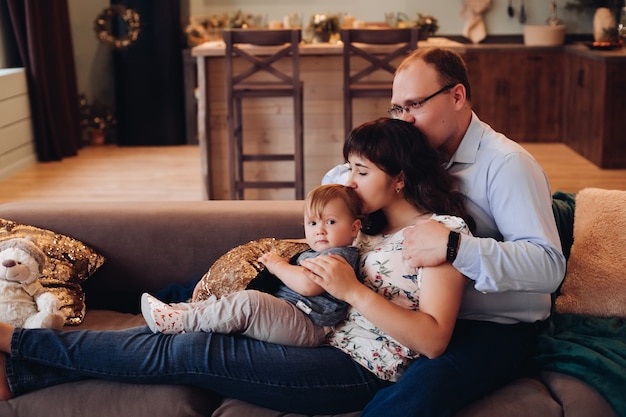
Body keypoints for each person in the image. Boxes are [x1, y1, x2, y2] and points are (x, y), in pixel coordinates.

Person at [0, 118, 471, 416]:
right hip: (310, 336)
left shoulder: (440, 233)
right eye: (350, 167)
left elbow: (433, 339)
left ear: (400, 179)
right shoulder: (363, 226)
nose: (348, 180)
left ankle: (19, 344)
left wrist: (354, 292)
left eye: (362, 171)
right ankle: (25, 372)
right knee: (184, 335)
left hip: (352, 371)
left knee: (189, 352)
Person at [324, 47, 566, 416]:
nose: (404, 120)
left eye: (415, 105)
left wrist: (455, 248)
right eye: (397, 109)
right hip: (408, 317)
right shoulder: (411, 152)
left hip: (488, 326)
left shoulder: (506, 164)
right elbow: (337, 179)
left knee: (408, 400)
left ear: (457, 96)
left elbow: (548, 266)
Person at [140, 183, 363, 347]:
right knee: (232, 301)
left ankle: (183, 320)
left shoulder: (340, 256)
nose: (320, 230)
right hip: (292, 314)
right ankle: (179, 312)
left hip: (308, 324)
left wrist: (277, 265)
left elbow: (309, 285)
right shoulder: (317, 250)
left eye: (331, 222)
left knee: (250, 303)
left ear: (354, 228)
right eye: (312, 223)